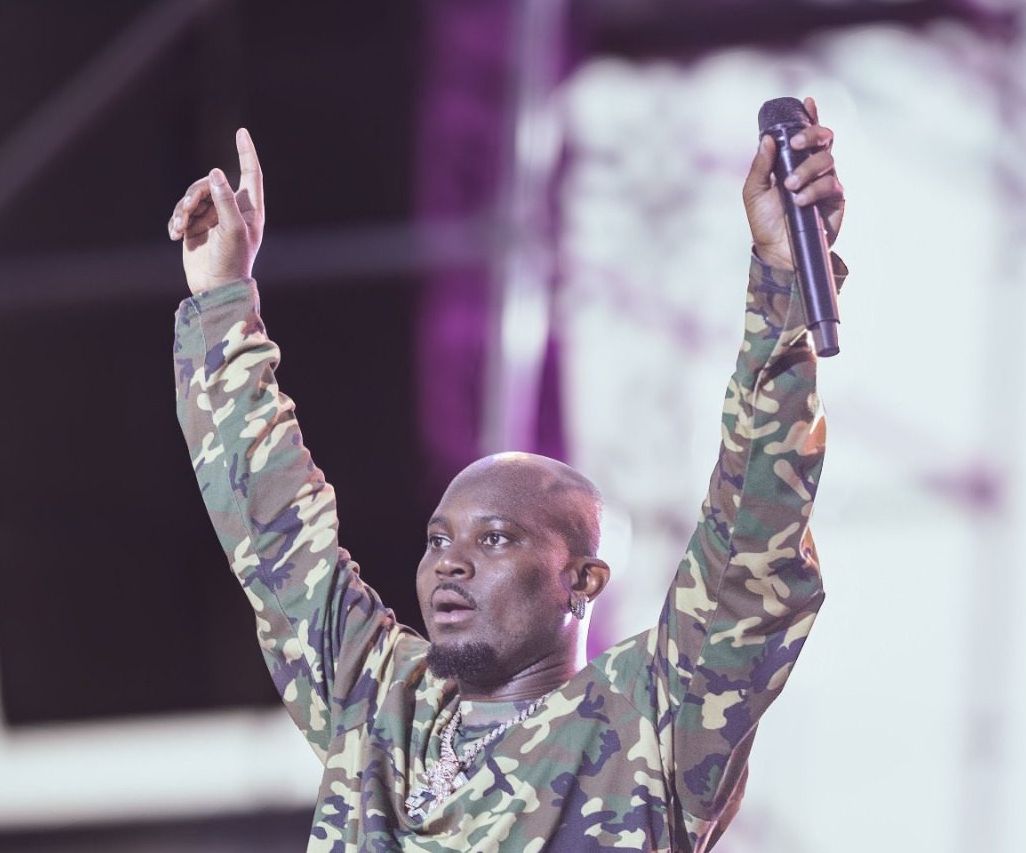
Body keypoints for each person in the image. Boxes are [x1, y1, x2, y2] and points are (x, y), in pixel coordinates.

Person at [166, 98, 846, 851]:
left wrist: (783, 283)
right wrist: (222, 298)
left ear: (581, 580)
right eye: (438, 540)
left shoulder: (647, 722)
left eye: (494, 539)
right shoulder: (381, 704)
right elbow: (275, 533)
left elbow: (748, 548)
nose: (449, 563)